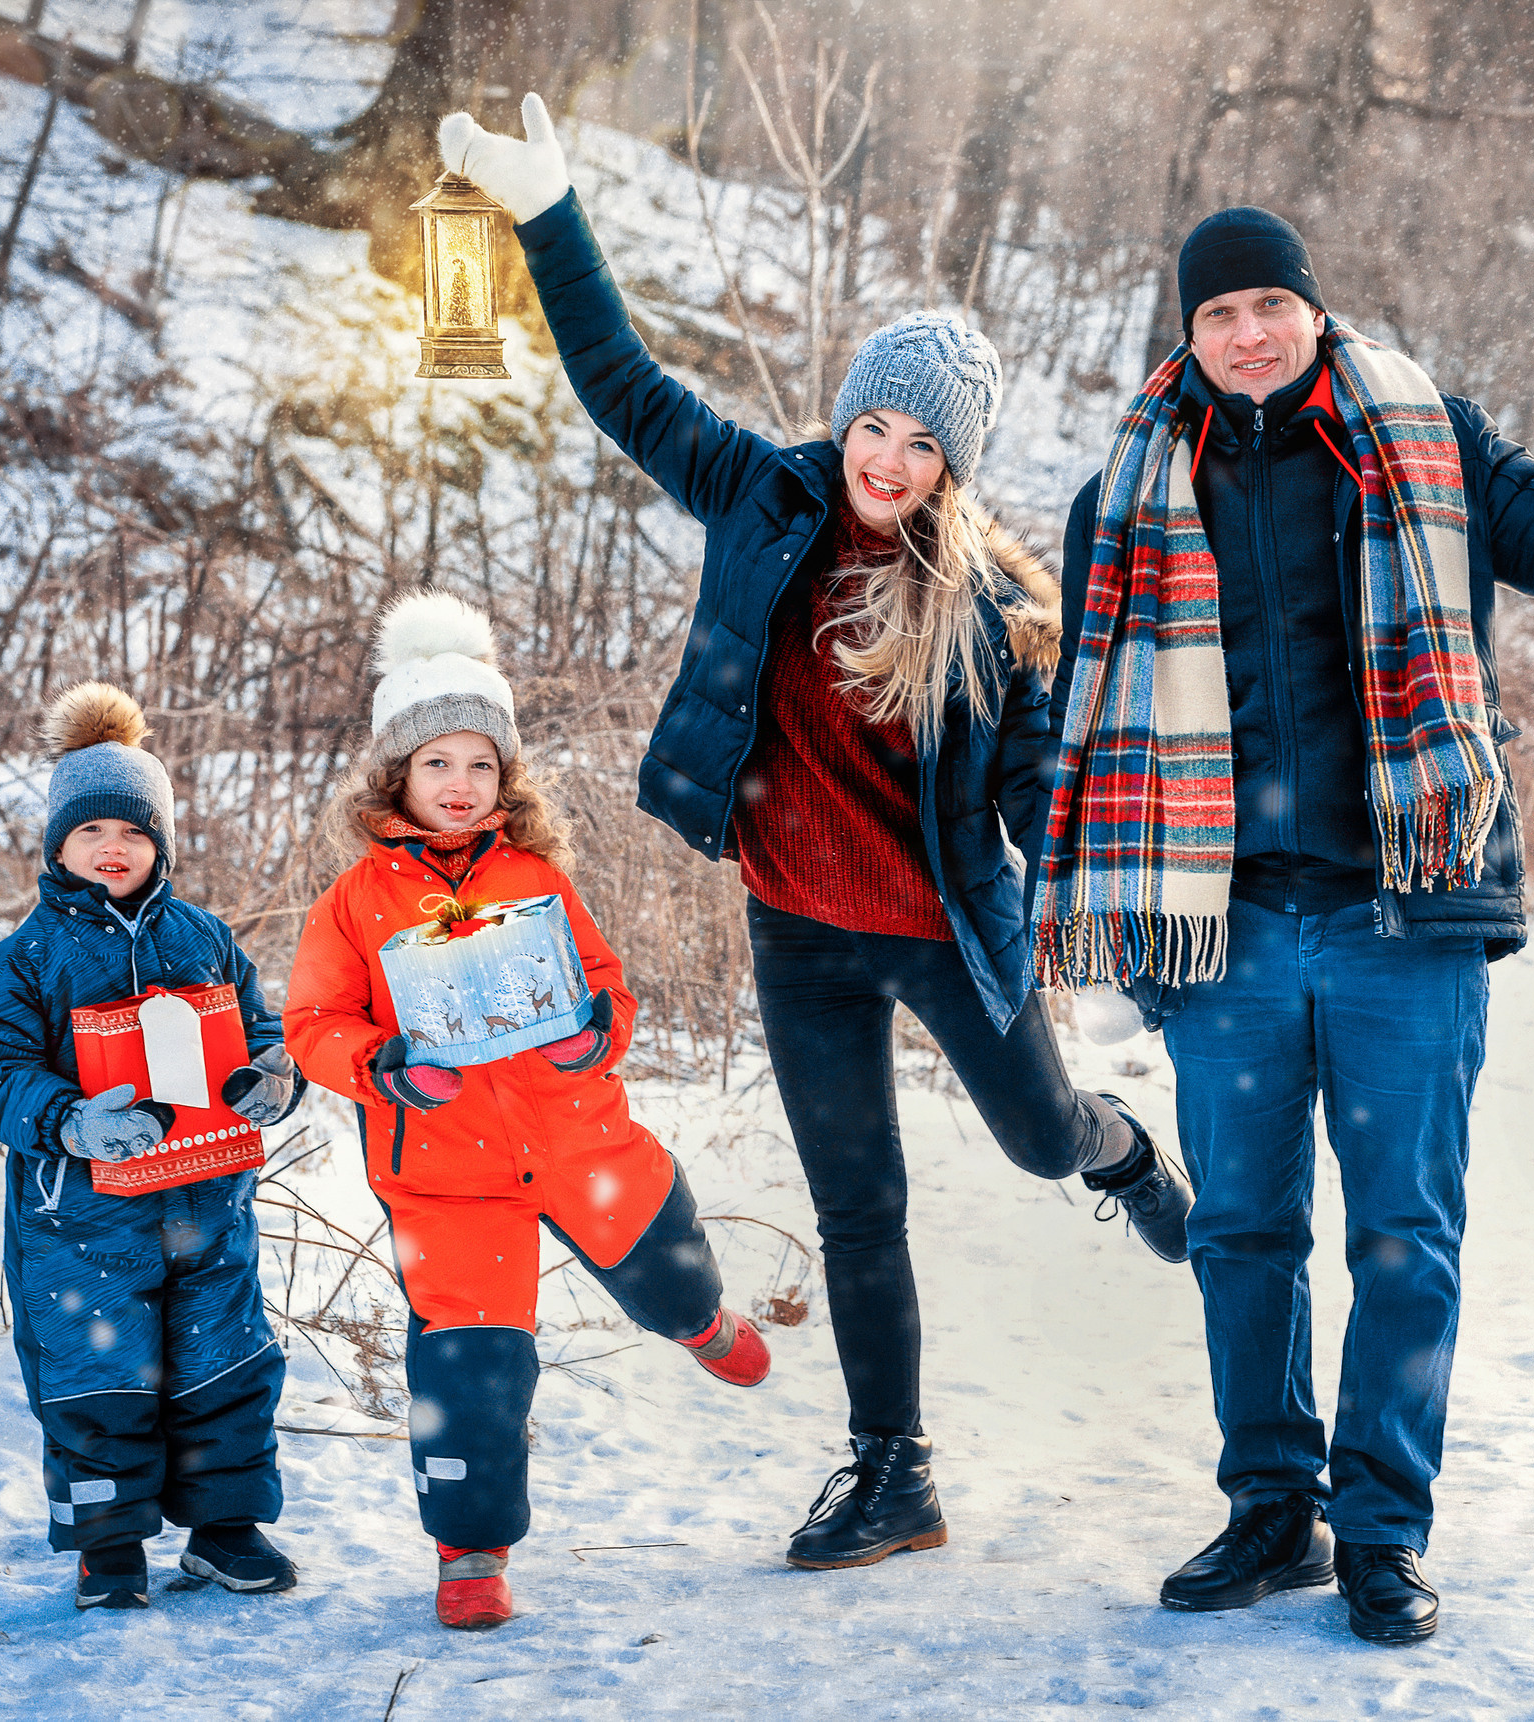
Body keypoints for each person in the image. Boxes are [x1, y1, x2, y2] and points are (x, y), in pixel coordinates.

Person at [439, 94, 1196, 1572]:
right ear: (846, 416)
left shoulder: (989, 615)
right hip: (798, 933)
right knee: (861, 1207)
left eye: (923, 442)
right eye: (875, 422)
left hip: (941, 930)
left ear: (952, 465)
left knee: (1041, 1137)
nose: (889, 457)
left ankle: (1120, 1153)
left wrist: (1131, 909)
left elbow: (1039, 801)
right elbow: (622, 384)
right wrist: (548, 215)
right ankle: (893, 1472)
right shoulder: (761, 495)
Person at [1038, 206, 1534, 1642]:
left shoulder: (1426, 436)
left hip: (1401, 916)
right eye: (1220, 311)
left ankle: (1381, 1531)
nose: (1249, 332)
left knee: (1405, 1237)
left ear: (1314, 309)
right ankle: (1268, 1511)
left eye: (1271, 305)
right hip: (1223, 929)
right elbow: (1090, 709)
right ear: (1190, 332)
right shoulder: (1123, 487)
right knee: (1243, 1232)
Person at [284, 593, 769, 1631]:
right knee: (469, 1363)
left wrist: (595, 1031)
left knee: (661, 1250)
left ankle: (697, 1320)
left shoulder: (534, 876)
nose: (459, 786)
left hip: (576, 1137)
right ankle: (471, 1547)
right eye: (436, 764)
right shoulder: (355, 903)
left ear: (503, 780)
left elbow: (610, 988)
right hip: (446, 1174)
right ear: (395, 777)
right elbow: (313, 1024)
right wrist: (382, 1065)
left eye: (479, 765)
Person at [0, 683, 307, 1611]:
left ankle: (225, 1530)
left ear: (161, 843)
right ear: (58, 848)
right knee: (101, 1376)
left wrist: (275, 1075)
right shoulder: (28, 957)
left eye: (134, 831)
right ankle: (107, 1546)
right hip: (78, 1223)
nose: (113, 848)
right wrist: (69, 1119)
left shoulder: (203, 937)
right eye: (90, 833)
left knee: (223, 1364)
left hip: (205, 1208)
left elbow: (260, 1031)